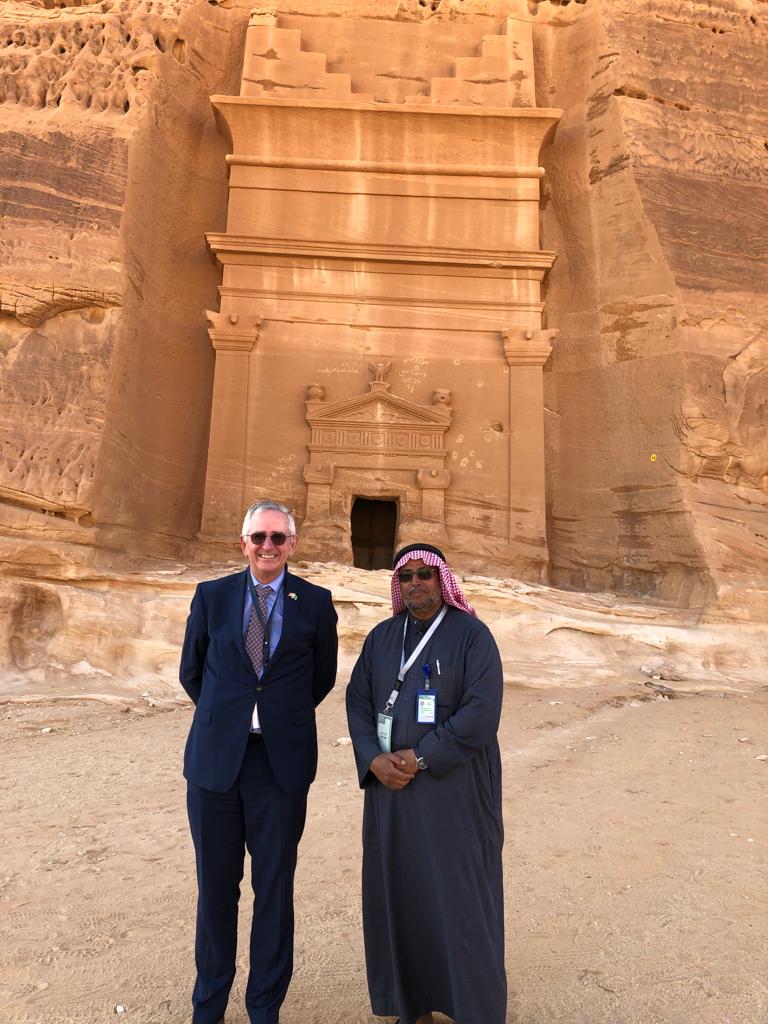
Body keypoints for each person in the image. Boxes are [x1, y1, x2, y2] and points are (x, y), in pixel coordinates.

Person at [179, 499, 338, 1024]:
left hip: (279, 765)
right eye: (258, 537)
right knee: (216, 889)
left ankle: (264, 1005)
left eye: (278, 538)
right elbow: (192, 672)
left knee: (274, 886)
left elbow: (321, 679)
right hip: (216, 764)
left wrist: (275, 715)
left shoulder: (315, 601)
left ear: (292, 544)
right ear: (242, 543)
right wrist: (230, 715)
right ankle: (209, 1005)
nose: (267, 546)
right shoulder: (212, 596)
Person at [346, 543, 506, 1024]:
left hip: (453, 793)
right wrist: (373, 759)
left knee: (460, 897)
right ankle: (408, 1004)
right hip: (390, 794)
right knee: (399, 893)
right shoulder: (380, 638)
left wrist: (420, 757)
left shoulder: (473, 637)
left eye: (426, 575)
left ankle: (473, 1008)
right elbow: (356, 702)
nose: (417, 582)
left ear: (443, 580)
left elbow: (480, 714)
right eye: (408, 575)